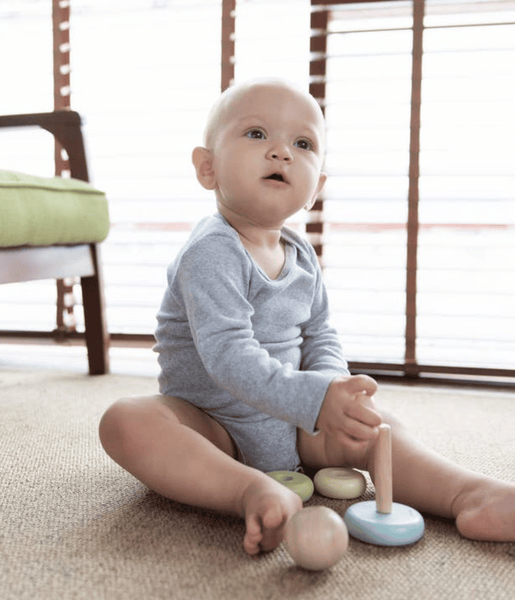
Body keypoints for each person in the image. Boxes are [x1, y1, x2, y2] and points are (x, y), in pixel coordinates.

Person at [99, 78, 515, 556]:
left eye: (302, 143)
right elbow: (228, 356)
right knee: (126, 421)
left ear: (316, 187)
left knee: (377, 426)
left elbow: (320, 334)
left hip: (297, 426)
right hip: (212, 427)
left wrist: (333, 391)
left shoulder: (301, 254)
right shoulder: (211, 252)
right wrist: (315, 399)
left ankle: (470, 493)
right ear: (207, 167)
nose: (281, 153)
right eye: (256, 134)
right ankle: (245, 490)